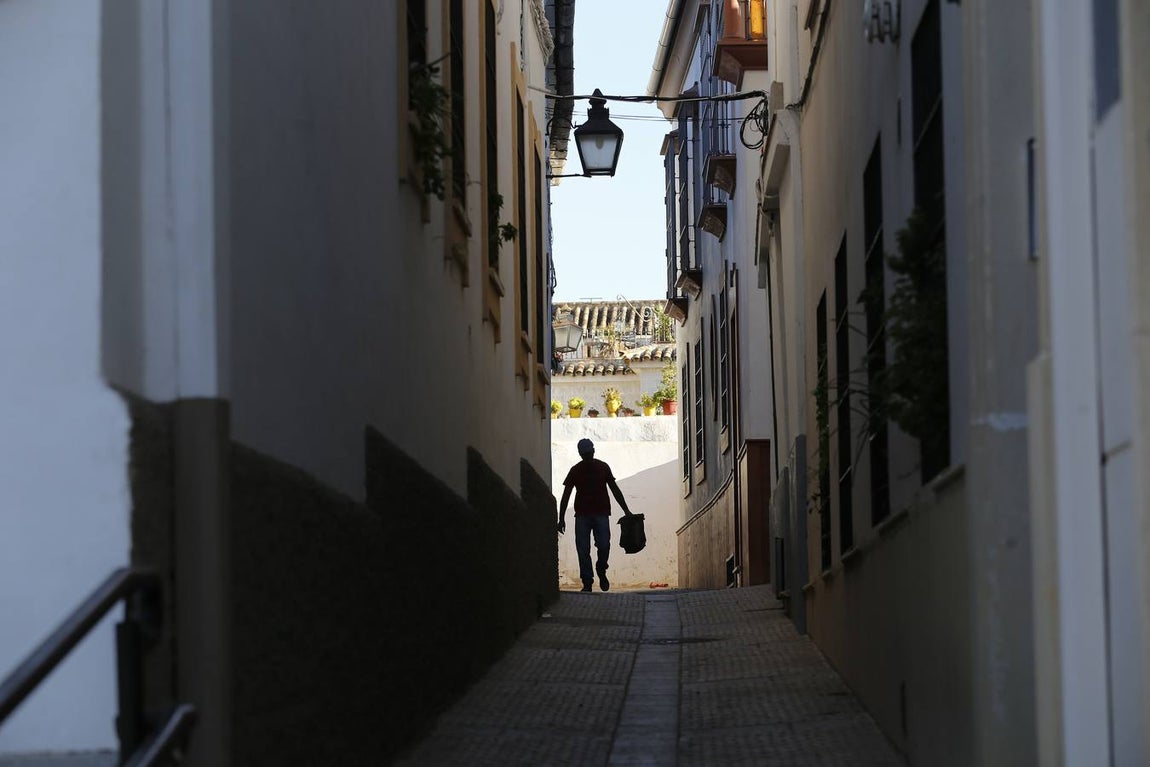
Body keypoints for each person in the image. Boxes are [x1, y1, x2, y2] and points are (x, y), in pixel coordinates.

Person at [558, 438, 634, 592]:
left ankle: (600, 569)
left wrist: (626, 510)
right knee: (586, 549)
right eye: (585, 453)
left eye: (588, 452)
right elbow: (566, 495)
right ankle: (588, 581)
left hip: (598, 514)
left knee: (601, 546)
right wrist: (561, 518)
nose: (587, 455)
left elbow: (614, 489)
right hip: (584, 515)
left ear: (591, 451)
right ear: (582, 453)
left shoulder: (602, 467)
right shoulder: (577, 470)